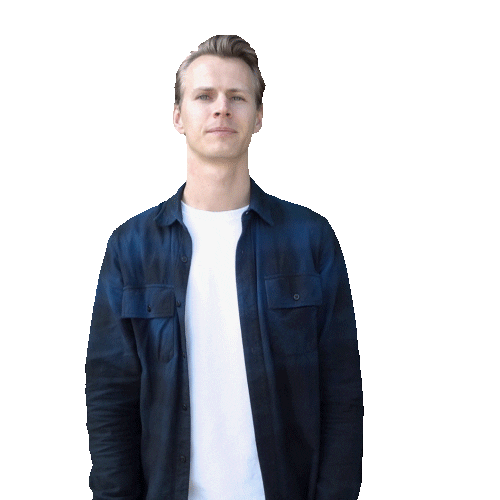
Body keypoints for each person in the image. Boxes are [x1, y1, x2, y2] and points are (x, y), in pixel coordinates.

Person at [86, 34, 363, 500]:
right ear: (178, 116)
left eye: (237, 97)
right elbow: (110, 399)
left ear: (258, 116)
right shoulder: (130, 248)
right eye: (204, 96)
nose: (221, 109)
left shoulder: (310, 239)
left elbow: (341, 393)